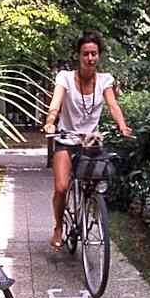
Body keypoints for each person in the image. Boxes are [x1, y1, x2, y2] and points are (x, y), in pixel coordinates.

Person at [43, 30, 132, 250]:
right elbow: (56, 102)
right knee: (62, 187)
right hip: (66, 136)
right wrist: (51, 120)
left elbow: (113, 105)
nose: (90, 58)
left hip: (91, 139)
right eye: (86, 54)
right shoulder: (65, 78)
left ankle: (89, 206)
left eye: (94, 54)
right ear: (79, 56)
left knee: (94, 184)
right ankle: (58, 226)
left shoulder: (105, 80)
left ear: (98, 55)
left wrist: (122, 125)